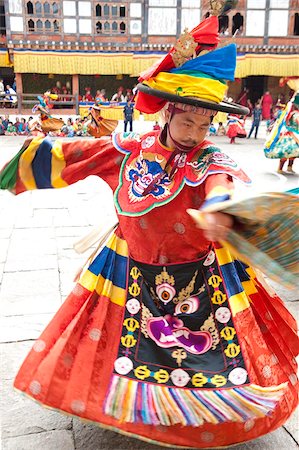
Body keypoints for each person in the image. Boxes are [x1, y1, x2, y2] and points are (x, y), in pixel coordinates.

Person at [0, 11, 298, 450]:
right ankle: (127, 406)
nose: (195, 132)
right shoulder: (131, 149)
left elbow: (222, 183)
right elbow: (81, 154)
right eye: (187, 121)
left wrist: (219, 207)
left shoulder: (209, 158)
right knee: (117, 341)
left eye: (204, 125)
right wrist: (27, 164)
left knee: (206, 349)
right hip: (128, 263)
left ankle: (195, 414)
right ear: (168, 113)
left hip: (199, 269)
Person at [264, 88, 299, 174]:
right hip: (290, 134)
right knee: (286, 151)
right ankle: (280, 168)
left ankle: (290, 167)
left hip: (295, 133)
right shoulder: (294, 114)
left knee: (293, 153)